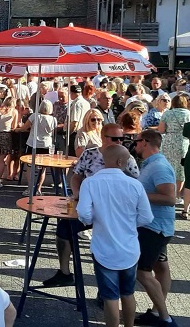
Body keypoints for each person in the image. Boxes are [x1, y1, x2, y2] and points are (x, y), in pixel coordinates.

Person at [43, 123, 140, 288]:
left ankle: (107, 291)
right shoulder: (90, 154)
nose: (119, 142)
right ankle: (64, 273)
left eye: (121, 139)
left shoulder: (126, 157)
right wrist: (77, 194)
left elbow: (137, 182)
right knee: (63, 230)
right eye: (115, 138)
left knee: (108, 245)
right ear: (103, 137)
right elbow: (76, 176)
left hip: (113, 212)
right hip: (89, 207)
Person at [76, 145, 153, 327]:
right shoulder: (135, 185)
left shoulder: (90, 183)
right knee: (128, 293)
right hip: (130, 248)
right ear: (120, 162)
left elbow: (84, 214)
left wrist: (98, 219)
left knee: (110, 296)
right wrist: (128, 224)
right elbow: (147, 217)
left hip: (104, 248)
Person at [133, 130, 179, 327]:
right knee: (161, 268)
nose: (134, 145)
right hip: (158, 226)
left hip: (154, 228)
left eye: (136, 142)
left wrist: (137, 194)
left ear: (144, 142)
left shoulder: (159, 166)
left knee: (142, 272)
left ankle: (165, 318)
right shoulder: (151, 164)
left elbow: (170, 198)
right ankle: (155, 312)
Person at [158, 95, 190, 203]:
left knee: (168, 168)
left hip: (169, 142)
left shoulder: (167, 113)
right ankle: (178, 196)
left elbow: (161, 130)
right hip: (183, 142)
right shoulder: (189, 114)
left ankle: (169, 193)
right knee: (180, 170)